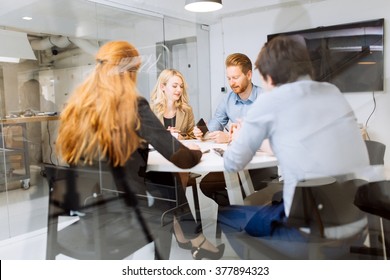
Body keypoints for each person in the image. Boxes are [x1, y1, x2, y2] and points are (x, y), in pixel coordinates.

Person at [55, 40, 224, 260]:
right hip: (124, 211)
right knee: (169, 187)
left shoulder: (78, 106)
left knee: (166, 182)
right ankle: (187, 245)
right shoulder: (132, 104)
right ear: (129, 71)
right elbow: (182, 159)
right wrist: (198, 151)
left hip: (91, 209)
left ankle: (194, 240)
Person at [218, 35, 370, 258]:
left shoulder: (271, 101)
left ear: (269, 77)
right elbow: (300, 145)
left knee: (226, 215)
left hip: (309, 234)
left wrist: (242, 136)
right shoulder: (331, 91)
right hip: (356, 224)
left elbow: (232, 163)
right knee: (279, 196)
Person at [193, 53, 277, 204]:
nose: (231, 83)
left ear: (249, 75)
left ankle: (238, 216)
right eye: (229, 78)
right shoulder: (228, 100)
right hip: (237, 162)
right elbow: (216, 122)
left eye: (236, 77)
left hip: (260, 166)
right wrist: (203, 133)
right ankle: (237, 217)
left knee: (226, 188)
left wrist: (231, 138)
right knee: (207, 185)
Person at [150, 69, 196, 140]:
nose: (179, 90)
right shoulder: (150, 110)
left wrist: (181, 138)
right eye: (174, 86)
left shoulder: (187, 110)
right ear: (162, 87)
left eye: (181, 86)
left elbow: (192, 137)